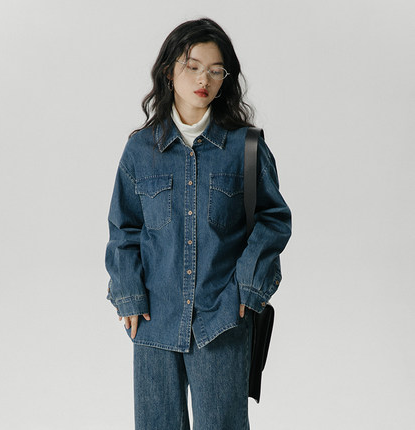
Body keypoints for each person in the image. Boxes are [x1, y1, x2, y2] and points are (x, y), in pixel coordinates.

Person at [105, 17, 292, 430]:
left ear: (226, 79)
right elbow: (125, 228)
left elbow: (273, 218)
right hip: (154, 321)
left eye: (215, 70)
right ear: (169, 71)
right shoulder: (140, 149)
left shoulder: (246, 147)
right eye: (192, 66)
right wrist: (129, 295)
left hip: (222, 319)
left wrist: (248, 287)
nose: (203, 79)